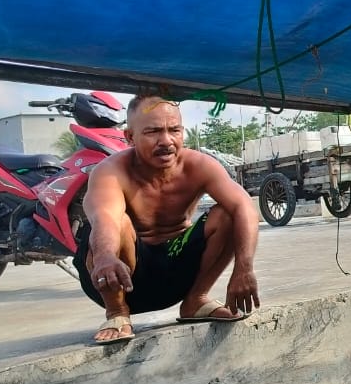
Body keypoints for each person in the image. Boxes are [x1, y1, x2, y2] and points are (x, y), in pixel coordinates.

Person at [77, 96, 261, 345]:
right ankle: (117, 313)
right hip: (120, 278)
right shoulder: (110, 171)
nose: (166, 141)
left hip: (175, 275)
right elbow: (105, 219)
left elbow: (244, 206)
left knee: (229, 213)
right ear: (130, 137)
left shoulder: (199, 165)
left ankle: (196, 300)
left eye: (174, 130)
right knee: (116, 224)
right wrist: (104, 256)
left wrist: (244, 268)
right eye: (153, 131)